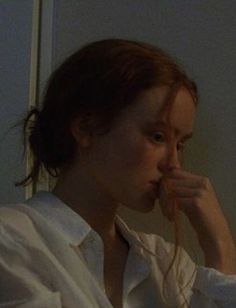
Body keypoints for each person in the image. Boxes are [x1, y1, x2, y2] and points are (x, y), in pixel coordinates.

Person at [0, 39, 235, 308]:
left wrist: (220, 247)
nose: (174, 164)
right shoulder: (12, 241)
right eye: (157, 136)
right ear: (86, 127)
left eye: (180, 144)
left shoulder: (169, 266)